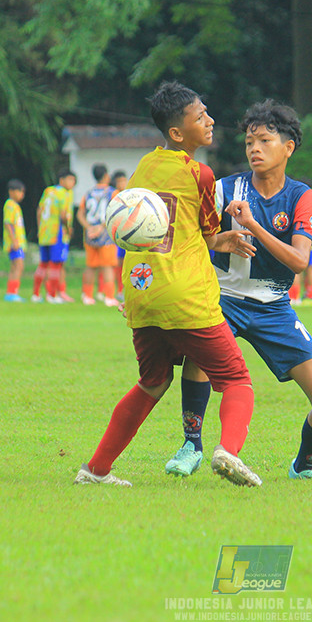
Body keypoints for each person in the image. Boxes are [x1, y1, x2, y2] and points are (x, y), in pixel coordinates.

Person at [74, 80, 259, 488]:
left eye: (207, 112)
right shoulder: (200, 173)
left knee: (153, 382)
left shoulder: (143, 167)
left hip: (140, 291)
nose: (210, 121)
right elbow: (208, 234)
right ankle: (228, 451)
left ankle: (96, 469)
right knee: (236, 381)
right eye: (200, 117)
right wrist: (222, 238)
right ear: (178, 133)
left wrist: (214, 239)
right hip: (184, 293)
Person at [164, 99, 312, 482]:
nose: (254, 149)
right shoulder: (222, 187)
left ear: (288, 147)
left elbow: (299, 261)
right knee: (200, 347)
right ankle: (191, 445)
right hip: (221, 300)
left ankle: (305, 466)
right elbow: (190, 238)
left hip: (273, 308)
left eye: (264, 140)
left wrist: (253, 227)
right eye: (249, 142)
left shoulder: (301, 197)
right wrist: (219, 240)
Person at [76, 163, 119, 307]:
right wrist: (102, 227)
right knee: (107, 266)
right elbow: (116, 211)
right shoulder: (113, 192)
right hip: (105, 234)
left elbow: (80, 213)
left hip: (90, 234)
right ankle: (109, 296)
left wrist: (89, 227)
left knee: (90, 266)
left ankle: (87, 296)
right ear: (106, 176)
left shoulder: (88, 193)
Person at [31, 169, 76, 303]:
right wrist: (68, 229)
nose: (72, 183)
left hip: (45, 232)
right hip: (58, 233)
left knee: (43, 264)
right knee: (56, 265)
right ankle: (52, 295)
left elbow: (39, 211)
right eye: (70, 180)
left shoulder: (48, 191)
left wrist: (40, 228)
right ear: (62, 180)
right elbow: (63, 214)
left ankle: (36, 294)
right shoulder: (65, 193)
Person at [2, 179, 27, 302]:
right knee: (18, 265)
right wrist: (14, 240)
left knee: (15, 266)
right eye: (19, 191)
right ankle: (13, 292)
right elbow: (8, 223)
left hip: (17, 242)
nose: (21, 194)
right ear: (11, 192)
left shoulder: (15, 206)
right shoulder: (10, 205)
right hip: (15, 243)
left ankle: (10, 292)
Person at [110, 170, 128, 302]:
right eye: (120, 182)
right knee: (118, 262)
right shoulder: (114, 195)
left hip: (127, 232)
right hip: (118, 233)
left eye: (124, 181)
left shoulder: (129, 194)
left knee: (127, 262)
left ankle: (124, 289)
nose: (122, 183)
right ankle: (119, 290)